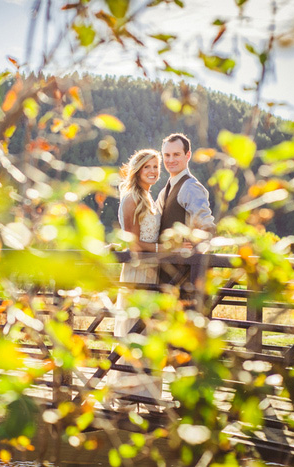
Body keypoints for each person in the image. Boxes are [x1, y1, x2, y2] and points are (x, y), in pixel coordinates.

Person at [110, 149, 163, 409]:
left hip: (152, 271)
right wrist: (163, 249)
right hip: (137, 272)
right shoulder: (131, 197)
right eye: (147, 167)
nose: (153, 171)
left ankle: (148, 396)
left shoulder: (149, 197)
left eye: (156, 166)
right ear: (138, 169)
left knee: (150, 333)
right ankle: (125, 395)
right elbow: (133, 245)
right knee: (134, 330)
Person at [156, 133, 215, 285]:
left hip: (184, 280)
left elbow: (207, 228)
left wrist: (191, 256)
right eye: (167, 155)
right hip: (166, 275)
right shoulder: (166, 189)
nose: (170, 160)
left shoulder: (191, 187)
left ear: (187, 155)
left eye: (176, 154)